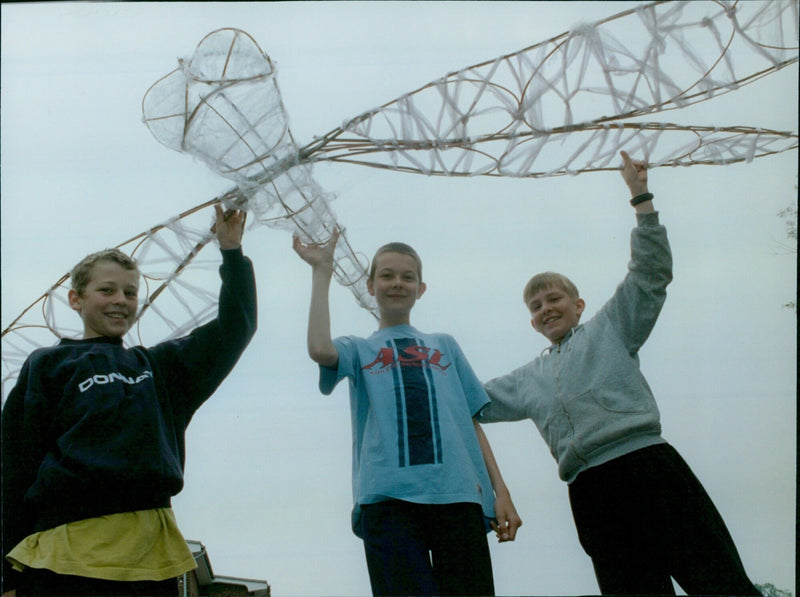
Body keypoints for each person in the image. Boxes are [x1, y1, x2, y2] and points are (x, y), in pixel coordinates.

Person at [478, 151, 760, 595]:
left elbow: (649, 274)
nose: (546, 309)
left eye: (554, 299)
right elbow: (468, 397)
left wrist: (640, 196)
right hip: (589, 493)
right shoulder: (527, 379)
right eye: (536, 306)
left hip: (649, 469)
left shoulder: (611, 327)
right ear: (532, 322)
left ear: (578, 305)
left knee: (719, 581)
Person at [1, 205, 257, 597]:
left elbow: (236, 326)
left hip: (150, 555)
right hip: (62, 553)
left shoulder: (160, 368)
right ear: (75, 299)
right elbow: (13, 468)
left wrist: (231, 252)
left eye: (130, 292)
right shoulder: (48, 365)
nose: (120, 299)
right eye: (106, 290)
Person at [293, 233, 522, 597]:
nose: (397, 283)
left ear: (421, 288)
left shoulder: (443, 344)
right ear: (371, 285)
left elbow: (470, 422)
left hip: (458, 495)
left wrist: (501, 492)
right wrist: (322, 269)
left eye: (407, 276)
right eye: (386, 275)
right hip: (387, 500)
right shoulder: (360, 348)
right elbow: (320, 349)